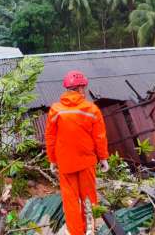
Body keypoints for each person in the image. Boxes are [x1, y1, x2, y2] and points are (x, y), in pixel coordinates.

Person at [45, 70, 109, 235]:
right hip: (86, 162)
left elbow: (50, 138)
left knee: (71, 201)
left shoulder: (56, 110)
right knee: (89, 198)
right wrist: (103, 158)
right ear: (80, 88)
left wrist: (52, 160)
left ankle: (76, 232)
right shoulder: (91, 109)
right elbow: (99, 137)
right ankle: (90, 229)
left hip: (65, 164)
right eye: (84, 87)